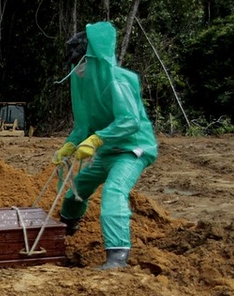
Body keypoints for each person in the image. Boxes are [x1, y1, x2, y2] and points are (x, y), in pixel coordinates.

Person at [53, 21, 158, 270]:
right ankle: (66, 228)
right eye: (75, 64)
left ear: (94, 59)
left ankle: (117, 256)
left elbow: (129, 121)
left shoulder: (118, 81)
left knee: (114, 191)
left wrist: (97, 139)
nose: (78, 68)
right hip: (107, 152)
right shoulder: (86, 85)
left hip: (131, 151)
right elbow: (84, 124)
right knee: (79, 187)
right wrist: (70, 145)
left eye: (81, 62)